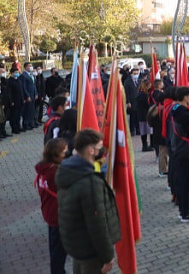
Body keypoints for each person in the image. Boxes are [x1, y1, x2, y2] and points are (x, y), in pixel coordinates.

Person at [55, 129, 120, 274]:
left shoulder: (69, 171)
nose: (101, 150)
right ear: (91, 150)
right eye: (99, 147)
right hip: (91, 251)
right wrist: (108, 256)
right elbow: (97, 224)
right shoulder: (90, 182)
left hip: (78, 248)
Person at [35, 138, 69, 274]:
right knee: (58, 250)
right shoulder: (55, 173)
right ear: (57, 154)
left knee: (55, 246)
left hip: (50, 212)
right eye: (64, 151)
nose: (67, 153)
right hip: (57, 213)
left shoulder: (44, 169)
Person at [171, 86, 189, 222]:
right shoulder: (184, 113)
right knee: (187, 182)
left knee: (182, 180)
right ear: (185, 97)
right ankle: (186, 213)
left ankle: (184, 210)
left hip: (178, 149)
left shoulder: (174, 109)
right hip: (185, 150)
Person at [19, 62, 39, 130]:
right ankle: (26, 124)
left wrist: (36, 93)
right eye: (29, 66)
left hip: (33, 94)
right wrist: (27, 96)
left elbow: (34, 85)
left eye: (31, 66)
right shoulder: (23, 76)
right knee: (27, 111)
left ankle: (31, 123)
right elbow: (23, 87)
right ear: (25, 67)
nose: (31, 67)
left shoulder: (32, 75)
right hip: (28, 95)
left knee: (31, 110)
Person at [136, 80, 154, 152]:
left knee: (143, 131)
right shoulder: (144, 95)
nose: (150, 87)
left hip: (141, 115)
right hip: (145, 115)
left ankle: (145, 145)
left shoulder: (139, 94)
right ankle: (148, 145)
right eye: (149, 85)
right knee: (149, 130)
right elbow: (147, 104)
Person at [124, 68, 141, 136]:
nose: (136, 75)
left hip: (139, 102)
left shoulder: (140, 81)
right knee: (132, 117)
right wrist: (128, 102)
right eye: (134, 74)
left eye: (137, 73)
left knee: (138, 117)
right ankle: (132, 130)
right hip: (132, 101)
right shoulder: (127, 82)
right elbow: (126, 93)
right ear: (131, 74)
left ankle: (138, 130)